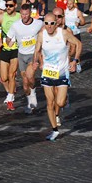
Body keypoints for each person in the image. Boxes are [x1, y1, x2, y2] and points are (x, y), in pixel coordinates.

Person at [32, 13, 82, 141]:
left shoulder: (63, 33)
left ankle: (65, 98)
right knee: (50, 102)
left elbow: (78, 44)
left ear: (56, 23)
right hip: (48, 72)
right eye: (46, 23)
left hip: (62, 72)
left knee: (59, 102)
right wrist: (36, 61)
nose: (49, 26)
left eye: (52, 23)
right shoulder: (41, 35)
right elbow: (37, 50)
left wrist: (75, 61)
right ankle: (54, 130)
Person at [6, 3, 43, 113]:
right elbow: (8, 38)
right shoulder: (16, 25)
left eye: (26, 15)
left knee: (29, 75)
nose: (24, 17)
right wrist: (10, 42)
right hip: (21, 55)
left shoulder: (38, 23)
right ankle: (30, 100)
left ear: (30, 14)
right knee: (25, 83)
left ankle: (33, 93)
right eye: (22, 14)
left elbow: (46, 31)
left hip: (33, 54)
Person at [0, 0, 20, 110]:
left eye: (10, 6)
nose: (8, 8)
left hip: (16, 49)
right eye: (7, 6)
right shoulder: (1, 17)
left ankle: (10, 98)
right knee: (4, 78)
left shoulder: (19, 17)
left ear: (15, 6)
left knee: (11, 75)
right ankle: (11, 90)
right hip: (4, 49)